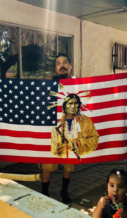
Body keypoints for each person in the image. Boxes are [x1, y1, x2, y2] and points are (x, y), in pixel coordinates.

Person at [41, 53, 89, 205]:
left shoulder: (78, 83)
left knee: (69, 163)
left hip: (72, 129)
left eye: (65, 62)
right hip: (53, 129)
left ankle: (64, 191)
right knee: (48, 163)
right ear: (55, 68)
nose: (61, 65)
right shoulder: (49, 84)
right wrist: (2, 83)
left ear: (70, 66)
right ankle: (44, 192)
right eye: (58, 63)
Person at [50, 94, 99, 158]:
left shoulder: (87, 121)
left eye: (76, 103)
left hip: (81, 157)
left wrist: (77, 144)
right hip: (62, 158)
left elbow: (94, 139)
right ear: (65, 106)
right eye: (70, 103)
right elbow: (54, 148)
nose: (73, 106)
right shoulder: (57, 126)